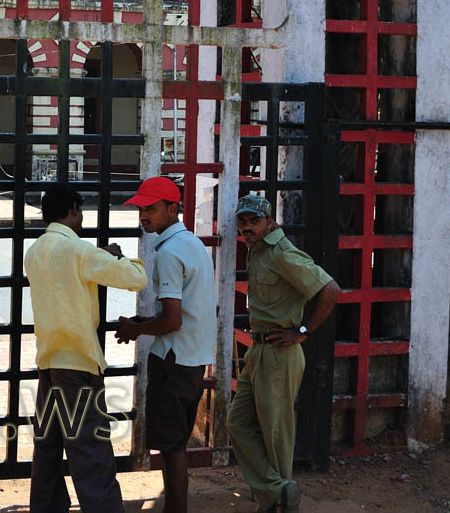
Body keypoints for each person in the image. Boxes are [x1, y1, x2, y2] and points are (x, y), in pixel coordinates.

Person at [24, 182, 148, 513]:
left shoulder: (34, 252)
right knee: (91, 454)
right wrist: (119, 256)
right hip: (78, 365)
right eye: (81, 211)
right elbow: (136, 279)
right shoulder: (80, 251)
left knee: (47, 449)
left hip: (48, 363)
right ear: (74, 210)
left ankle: (47, 507)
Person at [227, 194, 341, 513]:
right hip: (260, 351)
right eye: (243, 221)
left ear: (269, 222)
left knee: (275, 431)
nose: (247, 227)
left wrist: (301, 332)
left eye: (254, 221)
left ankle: (276, 500)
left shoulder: (281, 253)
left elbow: (330, 290)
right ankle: (276, 490)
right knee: (238, 423)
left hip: (279, 353)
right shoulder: (258, 251)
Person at [114, 177, 215, 513]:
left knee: (172, 451)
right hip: (192, 358)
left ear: (173, 208)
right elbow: (182, 313)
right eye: (141, 209)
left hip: (172, 362)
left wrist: (136, 331)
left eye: (151, 209)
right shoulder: (193, 244)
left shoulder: (169, 253)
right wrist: (141, 323)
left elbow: (171, 321)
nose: (144, 216)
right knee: (176, 446)